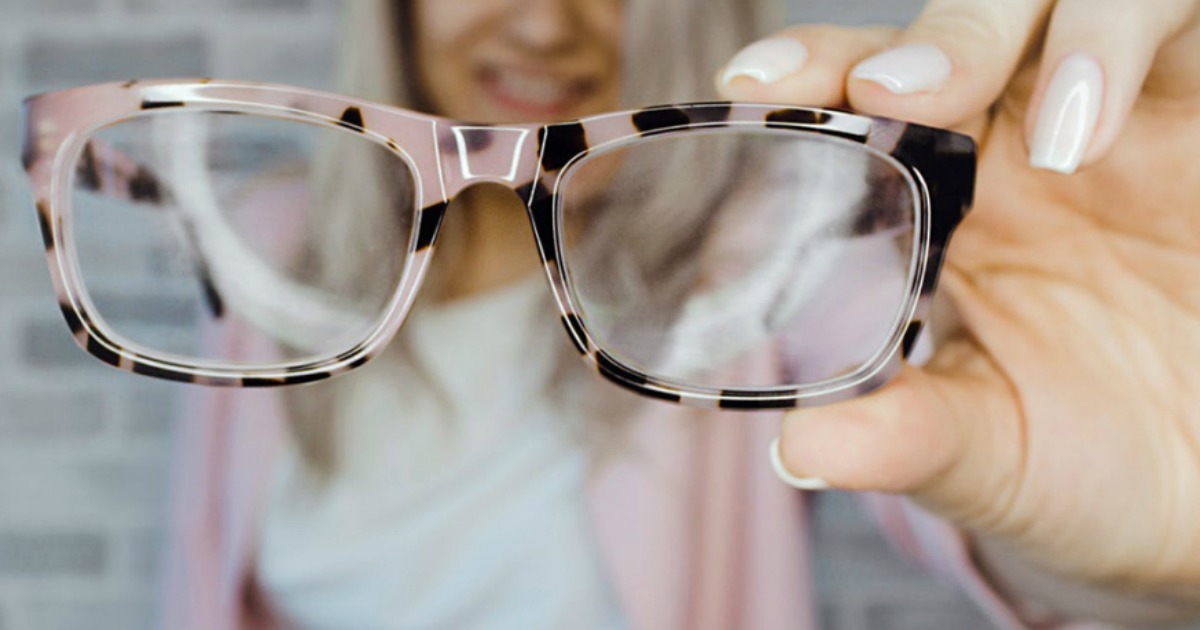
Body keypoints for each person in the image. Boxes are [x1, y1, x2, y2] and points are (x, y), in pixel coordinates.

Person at [158, 0, 1200, 628]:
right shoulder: (274, 237)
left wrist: (1165, 531)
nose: (542, 23)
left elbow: (969, 463)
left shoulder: (763, 246)